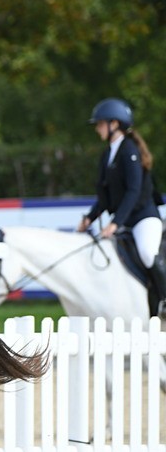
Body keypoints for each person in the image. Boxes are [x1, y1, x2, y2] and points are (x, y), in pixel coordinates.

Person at [77, 98, 166, 315]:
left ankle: (164, 299)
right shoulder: (108, 154)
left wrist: (115, 223)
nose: (97, 129)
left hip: (144, 218)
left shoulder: (129, 150)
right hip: (125, 220)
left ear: (114, 124)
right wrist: (89, 218)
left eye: (100, 124)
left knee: (147, 253)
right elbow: (106, 197)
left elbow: (133, 191)